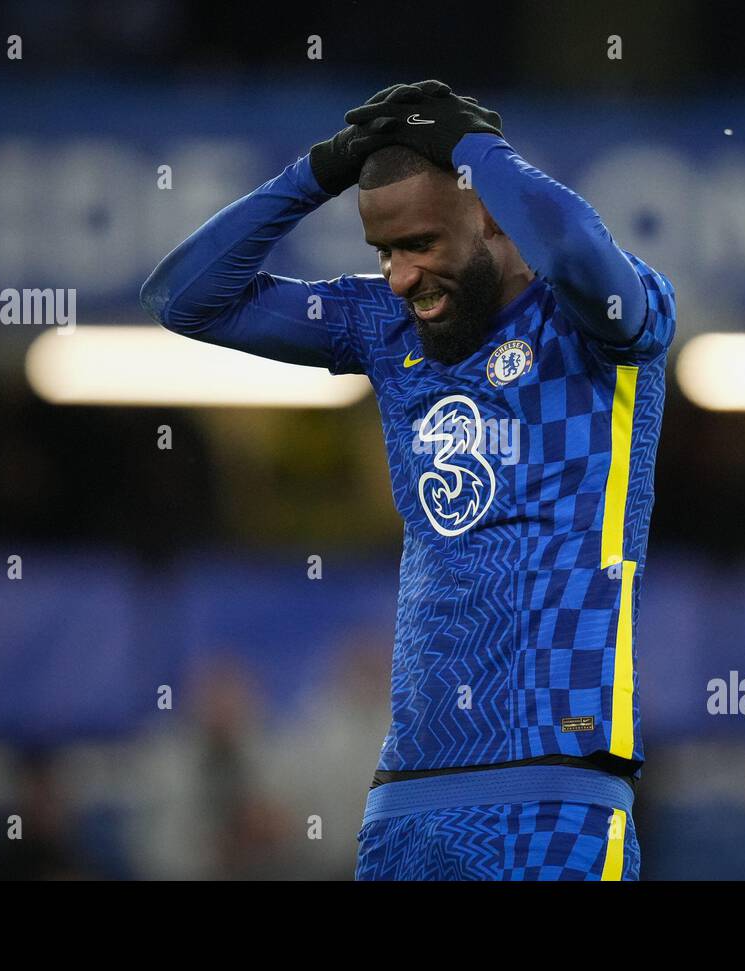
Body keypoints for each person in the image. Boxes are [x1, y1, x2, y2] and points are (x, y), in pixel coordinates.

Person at [141, 80, 676, 880]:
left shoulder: (603, 324)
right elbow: (185, 298)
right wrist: (320, 172)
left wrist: (472, 148)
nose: (399, 275)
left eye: (421, 242)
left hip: (555, 792)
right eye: (384, 251)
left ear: (491, 212)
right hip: (405, 805)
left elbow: (571, 247)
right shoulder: (386, 329)